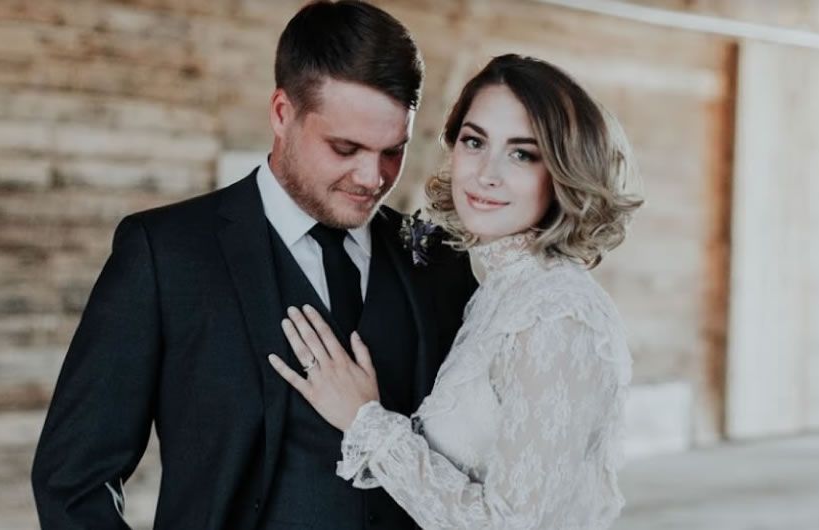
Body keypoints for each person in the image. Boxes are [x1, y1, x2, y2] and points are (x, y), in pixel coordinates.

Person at [29, 2, 477, 529]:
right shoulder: (165, 254)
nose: (371, 177)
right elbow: (72, 481)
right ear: (282, 114)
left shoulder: (437, 262)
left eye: (392, 152)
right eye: (345, 147)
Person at [268, 53, 643, 529]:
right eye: (474, 141)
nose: (486, 173)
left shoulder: (557, 314)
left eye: (522, 153)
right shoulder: (500, 292)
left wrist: (366, 420)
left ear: (563, 171)